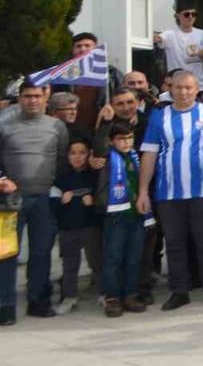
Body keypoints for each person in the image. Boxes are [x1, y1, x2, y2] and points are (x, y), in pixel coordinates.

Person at [137, 70, 203, 311]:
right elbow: (149, 154)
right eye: (178, 87)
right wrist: (143, 191)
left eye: (189, 87)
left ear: (197, 89)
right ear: (171, 89)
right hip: (167, 193)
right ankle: (179, 291)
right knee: (174, 244)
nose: (184, 92)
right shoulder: (159, 117)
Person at [0, 79, 70, 321]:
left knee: (42, 252)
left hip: (44, 199)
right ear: (19, 98)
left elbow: (61, 160)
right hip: (10, 200)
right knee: (7, 254)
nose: (33, 100)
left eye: (37, 96)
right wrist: (2, 179)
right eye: (28, 96)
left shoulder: (57, 126)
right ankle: (5, 306)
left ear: (45, 98)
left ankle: (38, 302)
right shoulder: (4, 124)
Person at [96, 122, 148, 318]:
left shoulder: (136, 158)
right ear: (111, 141)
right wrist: (105, 122)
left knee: (134, 256)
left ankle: (130, 293)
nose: (126, 143)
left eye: (129, 138)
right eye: (121, 139)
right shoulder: (107, 158)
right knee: (113, 257)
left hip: (136, 214)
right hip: (116, 215)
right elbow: (98, 145)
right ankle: (112, 297)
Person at [51, 139, 101, 315]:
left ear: (89, 154)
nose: (77, 157)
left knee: (97, 261)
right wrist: (61, 201)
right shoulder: (61, 178)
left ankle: (105, 293)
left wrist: (94, 202)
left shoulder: (95, 176)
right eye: (73, 153)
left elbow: (103, 200)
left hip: (90, 226)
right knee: (69, 264)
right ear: (67, 156)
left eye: (82, 153)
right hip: (68, 227)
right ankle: (69, 297)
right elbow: (52, 204)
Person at [154, 3, 203, 88]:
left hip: (199, 83)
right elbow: (157, 38)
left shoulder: (201, 33)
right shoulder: (169, 33)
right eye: (186, 14)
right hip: (178, 84)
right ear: (177, 15)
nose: (190, 17)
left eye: (193, 14)